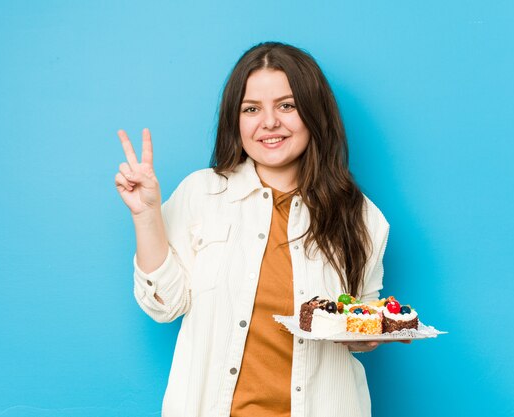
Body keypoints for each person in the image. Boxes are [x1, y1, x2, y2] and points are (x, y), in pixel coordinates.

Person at [115, 42, 406, 417]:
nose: (269, 122)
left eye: (287, 106)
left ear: (314, 112)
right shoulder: (202, 192)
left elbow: (363, 319)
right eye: (251, 109)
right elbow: (165, 305)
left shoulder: (361, 215)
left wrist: (365, 337)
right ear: (235, 120)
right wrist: (146, 215)